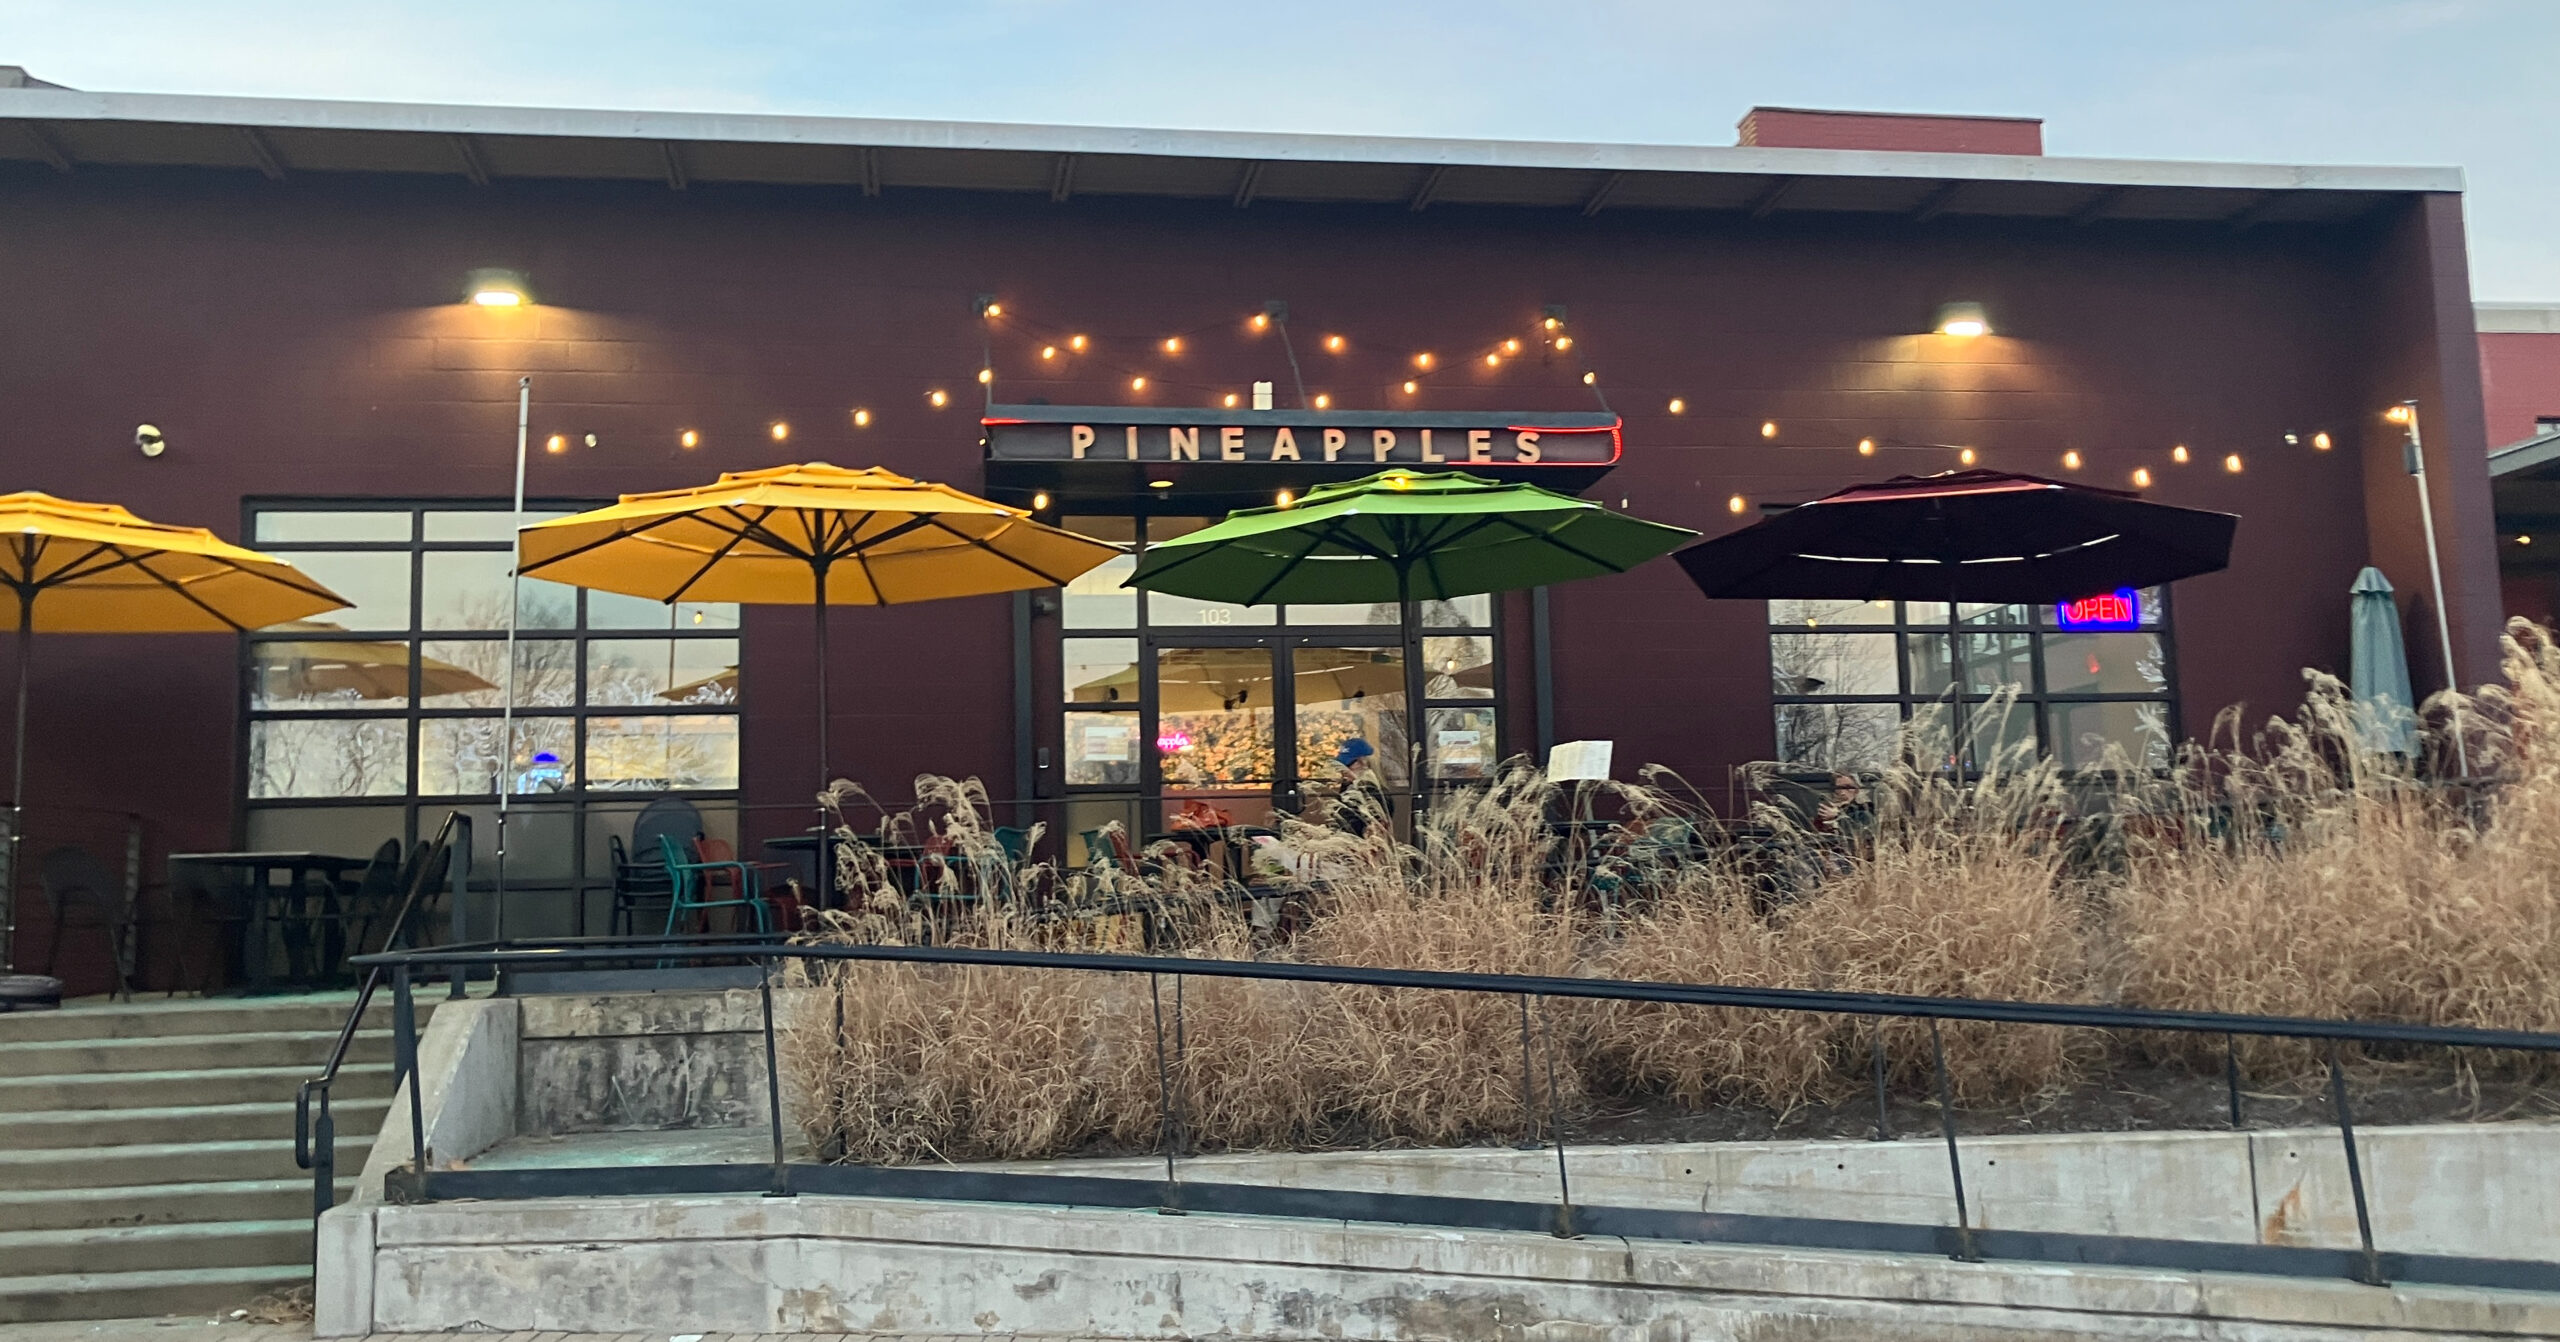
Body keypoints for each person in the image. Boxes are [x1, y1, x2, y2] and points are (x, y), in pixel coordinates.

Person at [1331, 737, 1393, 838]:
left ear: (1364, 763)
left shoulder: (1375, 794)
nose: (1343, 770)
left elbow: (1377, 831)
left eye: (1348, 764)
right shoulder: (1347, 789)